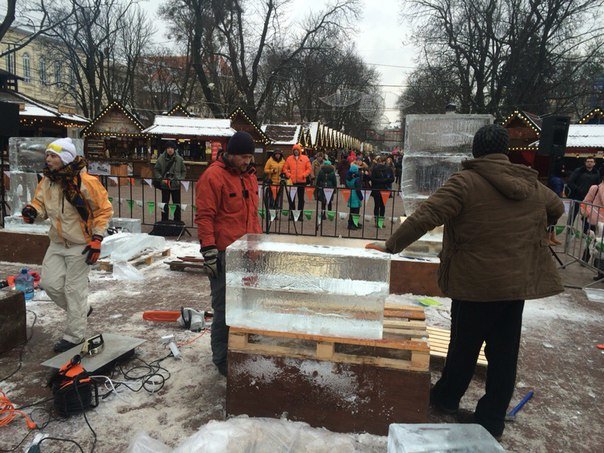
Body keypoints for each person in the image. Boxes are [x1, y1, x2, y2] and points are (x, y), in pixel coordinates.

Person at [366, 124, 564, 439]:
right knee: (504, 353)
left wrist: (390, 246)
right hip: (515, 287)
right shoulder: (530, 183)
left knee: (463, 347)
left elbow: (424, 216)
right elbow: (557, 207)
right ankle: (492, 419)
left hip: (475, 283)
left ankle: (446, 399)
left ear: (475, 150)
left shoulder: (465, 183)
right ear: (505, 151)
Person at [21, 138, 113, 352]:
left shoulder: (86, 182)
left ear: (65, 158)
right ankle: (82, 310)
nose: (48, 159)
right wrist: (33, 212)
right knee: (50, 284)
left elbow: (103, 210)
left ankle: (74, 336)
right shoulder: (47, 181)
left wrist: (97, 239)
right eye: (48, 155)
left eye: (53, 155)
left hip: (80, 244)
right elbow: (41, 205)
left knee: (73, 290)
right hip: (57, 242)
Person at [195, 131, 262, 376]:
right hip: (225, 254)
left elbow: (253, 216)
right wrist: (210, 251)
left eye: (250, 157)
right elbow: (204, 217)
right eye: (243, 157)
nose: (247, 161)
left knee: (248, 303)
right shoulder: (213, 177)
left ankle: (245, 348)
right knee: (224, 308)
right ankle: (223, 360)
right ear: (231, 154)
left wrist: (258, 245)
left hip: (249, 254)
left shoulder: (250, 177)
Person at [153, 141, 186, 223]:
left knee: (176, 204)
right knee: (164, 204)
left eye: (171, 148)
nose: (170, 150)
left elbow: (183, 171)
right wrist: (161, 178)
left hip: (176, 185)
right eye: (168, 148)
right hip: (165, 184)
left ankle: (177, 220)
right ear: (166, 149)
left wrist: (180, 179)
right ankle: (164, 220)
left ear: (174, 149)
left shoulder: (179, 159)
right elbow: (156, 169)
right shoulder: (161, 158)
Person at [567, 157, 600, 225]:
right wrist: (577, 190)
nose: (589, 163)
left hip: (589, 198)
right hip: (577, 196)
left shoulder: (596, 173)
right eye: (588, 161)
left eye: (591, 161)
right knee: (573, 214)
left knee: (587, 215)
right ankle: (569, 229)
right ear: (585, 163)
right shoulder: (579, 171)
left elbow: (598, 185)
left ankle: (585, 232)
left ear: (594, 163)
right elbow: (570, 182)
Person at [282, 143, 311, 216]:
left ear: (299, 151)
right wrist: (289, 175)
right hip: (292, 182)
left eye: (297, 150)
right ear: (293, 151)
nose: (296, 151)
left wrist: (304, 175)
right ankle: (292, 214)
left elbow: (309, 169)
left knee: (301, 199)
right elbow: (285, 168)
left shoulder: (305, 158)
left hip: (301, 182)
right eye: (294, 150)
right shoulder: (289, 158)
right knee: (292, 198)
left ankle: (300, 214)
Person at [370, 156, 395, 227]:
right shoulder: (388, 169)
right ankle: (381, 222)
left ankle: (376, 222)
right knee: (382, 206)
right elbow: (392, 179)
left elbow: (372, 179)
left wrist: (379, 181)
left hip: (376, 189)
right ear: (385, 161)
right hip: (385, 189)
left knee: (376, 206)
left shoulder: (375, 168)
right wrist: (385, 181)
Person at [345, 164, 363, 230]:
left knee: (352, 210)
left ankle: (353, 223)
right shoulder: (357, 179)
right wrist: (361, 197)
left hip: (350, 194)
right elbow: (358, 189)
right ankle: (352, 224)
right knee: (356, 211)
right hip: (356, 195)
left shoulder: (347, 178)